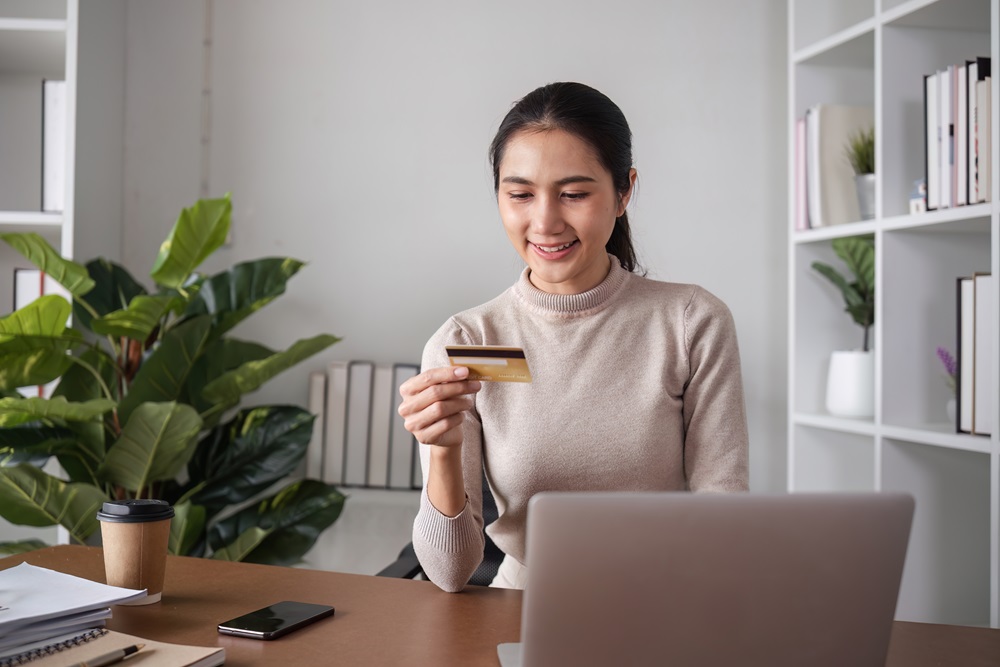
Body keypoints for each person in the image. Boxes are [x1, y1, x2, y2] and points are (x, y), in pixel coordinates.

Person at [398, 81, 749, 593]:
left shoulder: (692, 321)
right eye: (519, 194)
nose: (544, 222)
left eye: (574, 194)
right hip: (522, 612)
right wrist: (444, 451)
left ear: (624, 190)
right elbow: (450, 575)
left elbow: (725, 517)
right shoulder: (464, 339)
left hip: (661, 607)